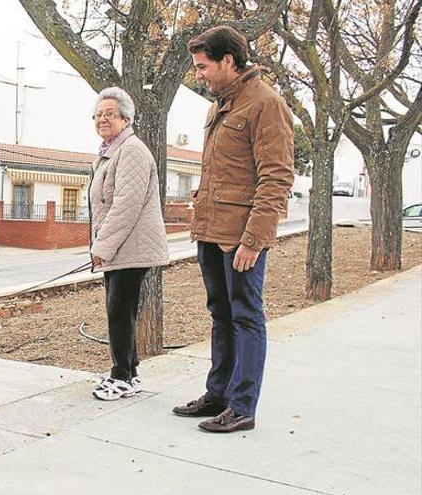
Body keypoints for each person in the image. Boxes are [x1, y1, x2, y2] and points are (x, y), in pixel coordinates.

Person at [173, 26, 294, 432]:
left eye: (203, 66)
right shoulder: (219, 107)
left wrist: (254, 241)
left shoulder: (266, 104)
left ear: (228, 60)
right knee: (220, 315)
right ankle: (218, 395)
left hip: (240, 239)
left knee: (246, 317)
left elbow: (275, 178)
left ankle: (242, 407)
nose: (199, 74)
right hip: (210, 232)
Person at [88, 87, 169, 401]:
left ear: (126, 118)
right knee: (121, 311)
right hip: (122, 247)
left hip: (130, 247)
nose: (102, 119)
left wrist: (102, 248)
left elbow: (126, 205)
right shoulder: (111, 151)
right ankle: (129, 373)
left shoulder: (131, 150)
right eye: (98, 114)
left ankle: (121, 376)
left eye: (110, 113)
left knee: (119, 312)